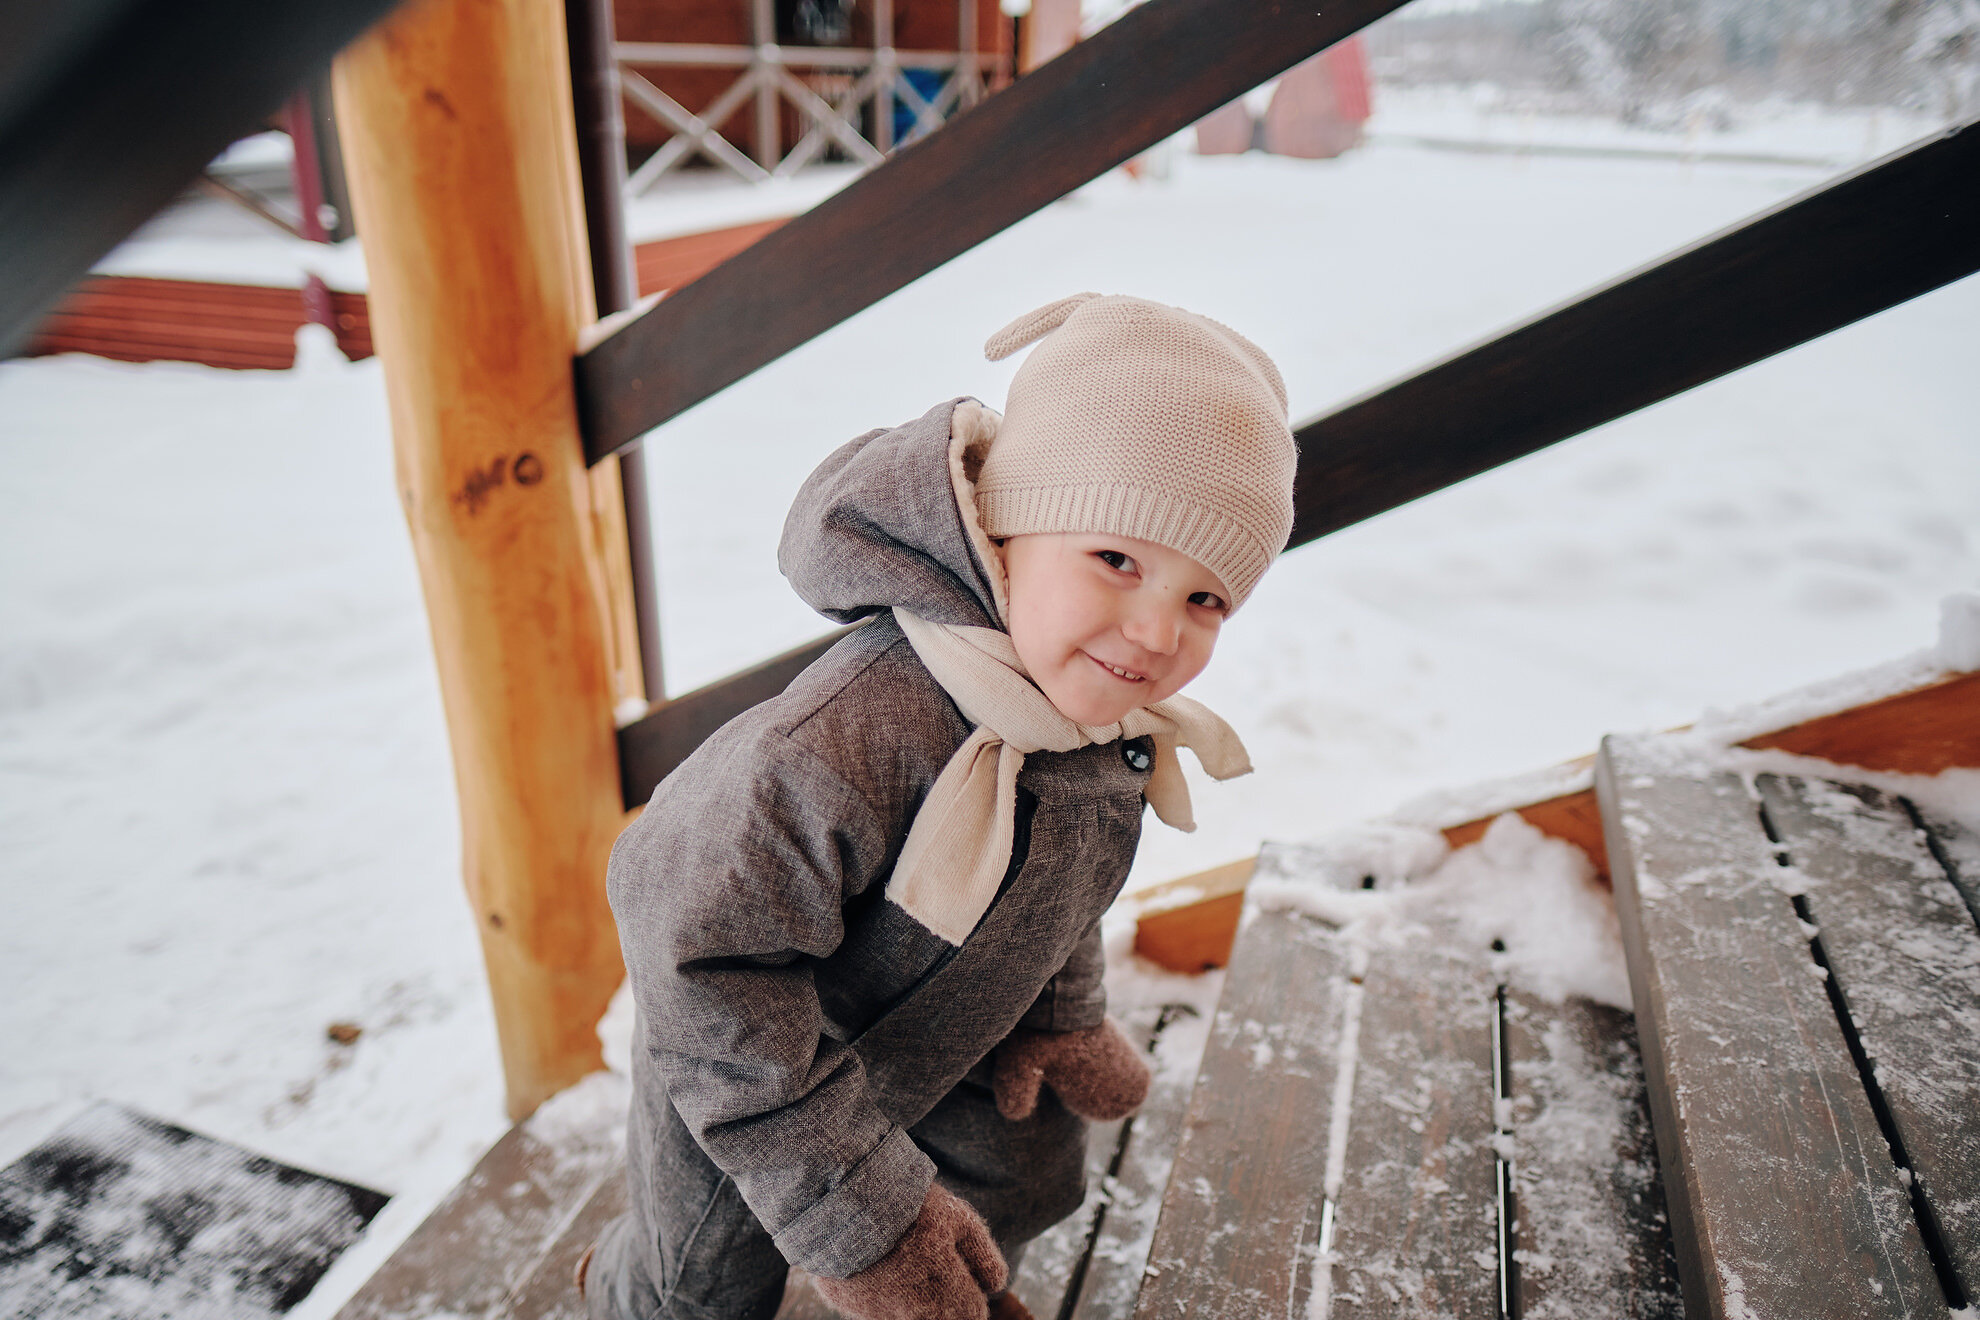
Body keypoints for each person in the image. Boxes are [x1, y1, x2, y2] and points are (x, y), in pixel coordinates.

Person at [581, 292, 1298, 1320]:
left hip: (942, 1027)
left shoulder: (1088, 717)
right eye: (1117, 560)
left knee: (1031, 1170)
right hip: (755, 1059)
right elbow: (693, 944)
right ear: (1008, 530)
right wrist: (855, 1214)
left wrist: (1058, 1013)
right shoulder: (843, 743)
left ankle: (941, 1286)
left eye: (1204, 599)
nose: (1153, 634)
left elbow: (1058, 877)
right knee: (702, 1277)